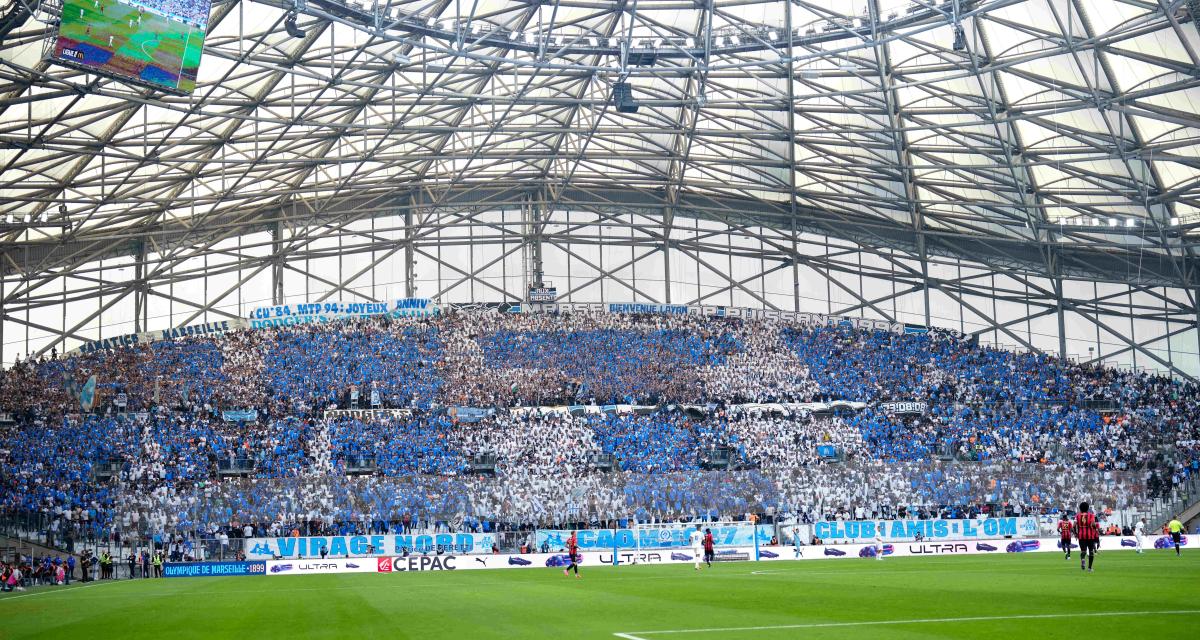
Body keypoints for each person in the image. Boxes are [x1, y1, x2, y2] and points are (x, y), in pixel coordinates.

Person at [1074, 501, 1100, 573]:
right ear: (1088, 508)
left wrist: (1076, 534)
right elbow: (1093, 524)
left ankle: (1083, 559)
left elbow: (1073, 526)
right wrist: (1096, 529)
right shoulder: (1091, 515)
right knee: (1091, 551)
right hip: (1090, 536)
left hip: (1081, 536)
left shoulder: (1077, 516)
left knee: (1083, 551)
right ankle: (1089, 568)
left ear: (1080, 508)